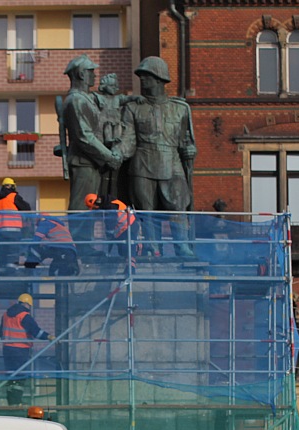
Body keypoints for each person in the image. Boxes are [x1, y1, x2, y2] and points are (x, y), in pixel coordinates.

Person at [119, 56, 197, 258]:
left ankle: (182, 246)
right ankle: (152, 248)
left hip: (172, 162)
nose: (142, 81)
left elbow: (187, 140)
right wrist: (114, 154)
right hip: (142, 163)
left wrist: (191, 150)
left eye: (147, 77)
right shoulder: (133, 108)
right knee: (146, 210)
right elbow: (128, 140)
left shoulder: (181, 108)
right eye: (141, 77)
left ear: (160, 79)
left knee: (178, 203)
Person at [60, 55, 122, 212]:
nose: (94, 75)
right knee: (82, 205)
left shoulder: (85, 99)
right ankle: (80, 237)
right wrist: (108, 156)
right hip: (83, 162)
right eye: (91, 71)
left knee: (90, 206)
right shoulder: (76, 100)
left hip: (91, 162)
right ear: (81, 74)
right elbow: (84, 136)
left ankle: (85, 236)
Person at [0, 293, 51, 406]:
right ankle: (17, 402)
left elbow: (0, 333)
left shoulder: (5, 315)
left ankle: (11, 402)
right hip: (20, 350)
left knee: (11, 376)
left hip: (7, 349)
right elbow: (36, 332)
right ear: (28, 304)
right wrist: (48, 336)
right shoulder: (24, 316)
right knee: (20, 376)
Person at [86, 193, 140, 269]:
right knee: (123, 250)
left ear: (96, 203)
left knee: (128, 249)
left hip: (129, 227)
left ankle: (131, 269)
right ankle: (129, 267)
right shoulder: (109, 202)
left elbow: (111, 221)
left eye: (94, 208)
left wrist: (109, 233)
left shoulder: (109, 206)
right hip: (125, 228)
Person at [0, 178, 32, 270]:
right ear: (12, 186)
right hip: (13, 230)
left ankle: (1, 270)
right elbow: (27, 208)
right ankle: (12, 270)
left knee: (1, 252)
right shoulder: (13, 196)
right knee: (13, 251)